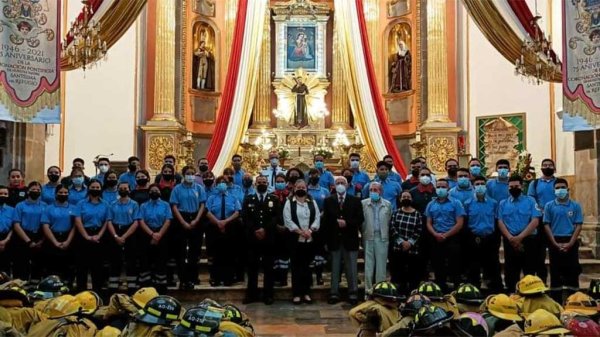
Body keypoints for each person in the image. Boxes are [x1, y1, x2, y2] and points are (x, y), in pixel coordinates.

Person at [322, 176, 364, 305]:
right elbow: (326, 220)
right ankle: (334, 292)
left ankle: (353, 293)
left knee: (351, 267)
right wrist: (335, 223)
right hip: (334, 239)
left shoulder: (355, 200)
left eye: (342, 183)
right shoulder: (329, 200)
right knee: (335, 267)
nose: (340, 185)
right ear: (334, 186)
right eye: (338, 183)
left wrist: (347, 223)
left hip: (350, 239)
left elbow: (360, 219)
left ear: (347, 185)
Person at [497, 175, 542, 293]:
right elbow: (500, 221)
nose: (514, 188)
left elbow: (535, 221)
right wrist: (510, 237)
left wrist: (520, 237)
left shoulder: (531, 201)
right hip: (510, 240)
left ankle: (530, 295)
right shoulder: (502, 203)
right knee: (511, 271)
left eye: (516, 186)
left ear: (522, 186)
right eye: (511, 187)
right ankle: (512, 295)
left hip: (528, 240)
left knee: (529, 270)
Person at [543, 178, 583, 301]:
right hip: (554, 240)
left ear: (567, 189)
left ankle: (573, 301)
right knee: (555, 272)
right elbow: (546, 225)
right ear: (554, 190)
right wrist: (554, 242)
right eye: (557, 188)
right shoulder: (549, 206)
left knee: (572, 271)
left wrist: (571, 242)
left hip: (570, 240)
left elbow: (579, 225)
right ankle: (556, 303)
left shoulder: (575, 206)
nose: (560, 190)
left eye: (562, 187)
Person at [242, 175, 279, 305]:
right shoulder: (248, 199)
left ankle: (268, 295)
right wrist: (255, 230)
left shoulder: (273, 199)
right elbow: (245, 217)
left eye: (264, 182)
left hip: (268, 238)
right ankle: (251, 294)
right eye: (259, 182)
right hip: (253, 237)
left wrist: (265, 230)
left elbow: (275, 217)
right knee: (252, 267)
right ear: (255, 184)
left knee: (269, 268)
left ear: (268, 183)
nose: (262, 184)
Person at [464, 176, 503, 293]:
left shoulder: (494, 203)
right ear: (473, 186)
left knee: (493, 269)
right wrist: (471, 238)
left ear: (486, 186)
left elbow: (497, 222)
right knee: (473, 269)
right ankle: (473, 293)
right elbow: (465, 223)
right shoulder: (467, 203)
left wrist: (494, 240)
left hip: (490, 240)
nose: (480, 186)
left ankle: (496, 293)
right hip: (473, 240)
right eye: (477, 184)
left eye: (482, 184)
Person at [283, 179, 320, 304]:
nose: (301, 189)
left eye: (303, 187)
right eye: (299, 187)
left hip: (309, 239)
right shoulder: (289, 202)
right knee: (296, 267)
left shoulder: (312, 202)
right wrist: (300, 231)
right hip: (295, 240)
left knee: (307, 267)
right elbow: (287, 220)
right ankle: (297, 293)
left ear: (306, 188)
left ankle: (306, 293)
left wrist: (310, 230)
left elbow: (317, 217)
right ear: (294, 188)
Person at [170, 165, 206, 290]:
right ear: (184, 174)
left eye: (192, 173)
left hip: (196, 218)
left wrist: (196, 219)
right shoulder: (177, 189)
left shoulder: (199, 188)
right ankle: (183, 279)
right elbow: (174, 206)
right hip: (181, 218)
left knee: (194, 252)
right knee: (181, 252)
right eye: (188, 173)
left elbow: (202, 204)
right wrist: (183, 222)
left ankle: (193, 277)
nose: (190, 175)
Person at [425, 178, 465, 292]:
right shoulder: (431, 204)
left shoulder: (456, 203)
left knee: (455, 266)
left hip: (452, 238)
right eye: (438, 187)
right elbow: (428, 222)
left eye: (443, 187)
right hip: (436, 238)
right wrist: (435, 234)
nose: (440, 189)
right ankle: (440, 289)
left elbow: (460, 223)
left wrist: (446, 235)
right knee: (438, 266)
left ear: (448, 188)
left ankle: (457, 291)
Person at [74, 179, 109, 291]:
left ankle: (97, 293)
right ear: (88, 188)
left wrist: (99, 235)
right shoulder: (81, 203)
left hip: (99, 235)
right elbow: (78, 220)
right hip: (83, 235)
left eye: (97, 187)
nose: (95, 189)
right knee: (81, 267)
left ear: (101, 189)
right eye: (93, 187)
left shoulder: (105, 204)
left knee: (97, 267)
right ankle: (81, 292)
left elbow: (107, 222)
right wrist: (86, 236)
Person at [206, 176, 241, 287]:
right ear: (216, 185)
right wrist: (218, 222)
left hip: (230, 227)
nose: (222, 184)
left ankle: (228, 278)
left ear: (228, 184)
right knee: (216, 254)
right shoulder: (211, 198)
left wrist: (225, 222)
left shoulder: (233, 197)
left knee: (229, 253)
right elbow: (207, 212)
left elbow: (237, 212)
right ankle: (215, 278)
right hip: (215, 228)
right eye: (219, 182)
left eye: (224, 182)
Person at [106, 182, 141, 294]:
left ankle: (131, 288)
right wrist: (116, 236)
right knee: (115, 261)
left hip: (130, 232)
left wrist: (124, 236)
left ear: (129, 190)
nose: (123, 190)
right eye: (121, 188)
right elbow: (109, 221)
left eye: (125, 188)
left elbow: (136, 222)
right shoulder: (112, 204)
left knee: (131, 261)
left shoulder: (134, 204)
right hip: (115, 231)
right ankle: (113, 288)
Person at [528, 158, 557, 287]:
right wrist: (540, 209)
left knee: (554, 253)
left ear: (554, 167)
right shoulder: (534, 184)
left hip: (554, 222)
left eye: (550, 165)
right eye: (545, 165)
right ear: (541, 168)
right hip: (539, 221)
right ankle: (540, 282)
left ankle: (556, 283)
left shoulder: (558, 183)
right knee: (538, 255)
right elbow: (531, 199)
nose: (547, 167)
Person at [138, 184, 172, 293]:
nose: (154, 192)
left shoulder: (166, 205)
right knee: (145, 260)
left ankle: (161, 288)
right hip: (146, 234)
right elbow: (141, 221)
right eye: (152, 190)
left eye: (156, 190)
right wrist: (152, 234)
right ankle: (146, 287)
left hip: (162, 233)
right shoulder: (143, 206)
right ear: (148, 193)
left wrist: (159, 235)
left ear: (160, 192)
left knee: (161, 260)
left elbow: (168, 220)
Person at [41, 185, 76, 287]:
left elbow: (75, 226)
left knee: (68, 267)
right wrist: (55, 242)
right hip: (52, 239)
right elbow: (45, 226)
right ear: (56, 194)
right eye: (60, 193)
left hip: (68, 238)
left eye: (65, 193)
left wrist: (68, 241)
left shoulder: (73, 208)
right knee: (51, 267)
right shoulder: (48, 208)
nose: (63, 194)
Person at [361, 182, 393, 292]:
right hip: (368, 236)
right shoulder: (363, 203)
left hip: (382, 237)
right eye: (371, 190)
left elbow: (389, 220)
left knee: (381, 266)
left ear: (381, 191)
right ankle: (368, 290)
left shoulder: (387, 204)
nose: (373, 192)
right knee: (369, 266)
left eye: (376, 190)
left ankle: (380, 291)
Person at [12, 181, 46, 285]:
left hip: (40, 236)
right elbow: (16, 224)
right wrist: (28, 241)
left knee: (38, 267)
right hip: (23, 237)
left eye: (38, 190)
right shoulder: (20, 205)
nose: (35, 191)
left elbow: (47, 225)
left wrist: (41, 240)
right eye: (33, 189)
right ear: (28, 191)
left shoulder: (45, 205)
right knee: (21, 266)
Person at [389, 190, 422, 295]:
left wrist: (410, 243)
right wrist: (401, 242)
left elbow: (419, 230)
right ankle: (400, 293)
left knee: (413, 273)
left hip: (413, 249)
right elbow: (392, 228)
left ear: (411, 199)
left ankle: (412, 294)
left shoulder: (417, 214)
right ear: (400, 199)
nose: (406, 198)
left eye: (408, 197)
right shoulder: (396, 213)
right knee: (399, 272)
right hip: (398, 248)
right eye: (404, 197)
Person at [409, 167, 436, 281]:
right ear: (418, 177)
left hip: (434, 228)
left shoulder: (436, 191)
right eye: (422, 174)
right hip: (418, 229)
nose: (425, 177)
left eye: (427, 175)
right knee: (419, 255)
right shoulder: (412, 192)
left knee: (433, 254)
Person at [272, 173, 291, 286]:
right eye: (277, 181)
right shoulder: (271, 196)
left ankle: (283, 278)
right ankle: (276, 277)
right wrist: (276, 225)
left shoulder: (290, 196)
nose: (280, 183)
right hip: (274, 229)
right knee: (275, 254)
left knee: (284, 255)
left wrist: (286, 225)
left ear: (286, 182)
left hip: (287, 229)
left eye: (281, 181)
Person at [0, 186, 14, 274]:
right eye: (0, 194)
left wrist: (5, 241)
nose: (3, 196)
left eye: (5, 194)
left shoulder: (12, 210)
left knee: (6, 265)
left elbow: (13, 227)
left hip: (7, 238)